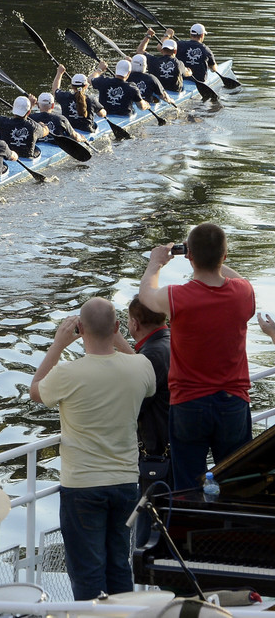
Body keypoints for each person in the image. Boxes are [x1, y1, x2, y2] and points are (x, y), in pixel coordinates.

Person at [29, 298, 156, 601]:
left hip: (82, 486)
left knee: (88, 573)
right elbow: (147, 379)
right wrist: (115, 335)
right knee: (118, 567)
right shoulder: (140, 367)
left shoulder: (67, 374)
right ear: (116, 327)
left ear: (80, 330)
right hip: (125, 482)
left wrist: (59, 345)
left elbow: (35, 390)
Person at [139, 224, 255, 491]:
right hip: (233, 402)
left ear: (189, 256)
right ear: (224, 256)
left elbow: (146, 296)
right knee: (235, 482)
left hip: (189, 404)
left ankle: (189, 531)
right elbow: (241, 280)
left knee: (188, 488)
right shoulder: (243, 293)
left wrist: (156, 264)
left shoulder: (177, 296)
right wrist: (210, 257)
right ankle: (231, 531)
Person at [113, 295, 171, 546]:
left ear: (135, 323)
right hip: (175, 445)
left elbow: (134, 401)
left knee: (149, 522)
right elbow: (144, 366)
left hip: (156, 453)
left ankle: (147, 571)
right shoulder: (170, 343)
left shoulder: (153, 355)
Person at [0, 86, 48, 159]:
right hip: (26, 157)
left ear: (13, 110)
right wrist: (43, 125)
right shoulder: (34, 127)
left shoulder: (3, 122)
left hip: (7, 158)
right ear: (29, 112)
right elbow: (45, 132)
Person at [52, 66, 107, 133]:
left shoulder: (64, 97)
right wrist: (104, 112)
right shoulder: (91, 100)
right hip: (87, 130)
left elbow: (55, 89)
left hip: (68, 131)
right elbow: (101, 114)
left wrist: (59, 73)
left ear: (72, 86)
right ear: (86, 86)